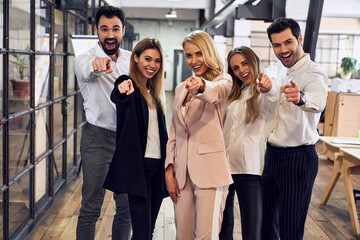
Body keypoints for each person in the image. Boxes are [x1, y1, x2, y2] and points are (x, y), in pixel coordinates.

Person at [261, 17, 328, 239]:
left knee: (291, 228)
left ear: (299, 39)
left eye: (288, 42)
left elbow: (317, 101)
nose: (283, 50)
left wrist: (301, 98)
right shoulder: (285, 69)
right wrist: (270, 89)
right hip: (273, 156)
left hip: (298, 160)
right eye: (277, 45)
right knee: (267, 223)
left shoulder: (313, 73)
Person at [165, 30, 233, 240]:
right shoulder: (180, 89)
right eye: (188, 55)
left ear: (209, 52)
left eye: (198, 53)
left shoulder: (224, 81)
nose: (193, 60)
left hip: (211, 175)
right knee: (182, 236)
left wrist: (202, 85)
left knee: (206, 237)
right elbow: (174, 133)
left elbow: (217, 92)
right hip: (182, 177)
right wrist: (169, 170)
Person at [74, 5, 131, 240]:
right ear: (96, 30)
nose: (110, 34)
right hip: (97, 138)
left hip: (127, 138)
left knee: (126, 206)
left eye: (115, 29)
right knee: (91, 205)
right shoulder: (84, 59)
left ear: (123, 31)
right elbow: (87, 71)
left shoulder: (131, 59)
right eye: (104, 29)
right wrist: (97, 66)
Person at [103, 38, 168, 240]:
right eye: (147, 59)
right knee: (142, 232)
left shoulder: (155, 94)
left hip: (158, 168)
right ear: (136, 58)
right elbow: (119, 92)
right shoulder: (128, 84)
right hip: (139, 169)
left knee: (148, 230)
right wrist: (122, 89)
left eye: (157, 61)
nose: (152, 65)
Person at [219, 46, 278, 240]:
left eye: (245, 63)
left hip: (249, 170)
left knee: (252, 232)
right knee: (223, 227)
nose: (241, 70)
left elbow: (273, 101)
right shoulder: (234, 95)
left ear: (254, 62)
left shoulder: (263, 93)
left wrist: (268, 88)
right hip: (225, 168)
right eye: (235, 67)